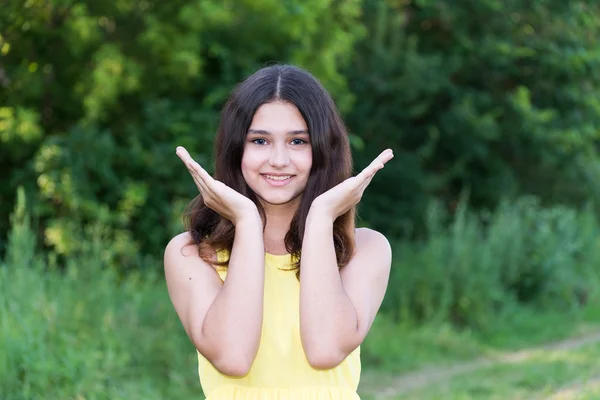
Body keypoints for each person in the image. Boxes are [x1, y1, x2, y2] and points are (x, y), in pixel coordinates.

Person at [164, 64, 393, 400]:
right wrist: (246, 221)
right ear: (235, 149)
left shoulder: (366, 249)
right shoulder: (192, 253)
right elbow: (233, 358)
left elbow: (325, 351)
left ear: (323, 149)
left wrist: (320, 218)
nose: (279, 159)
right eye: (260, 140)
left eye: (298, 141)